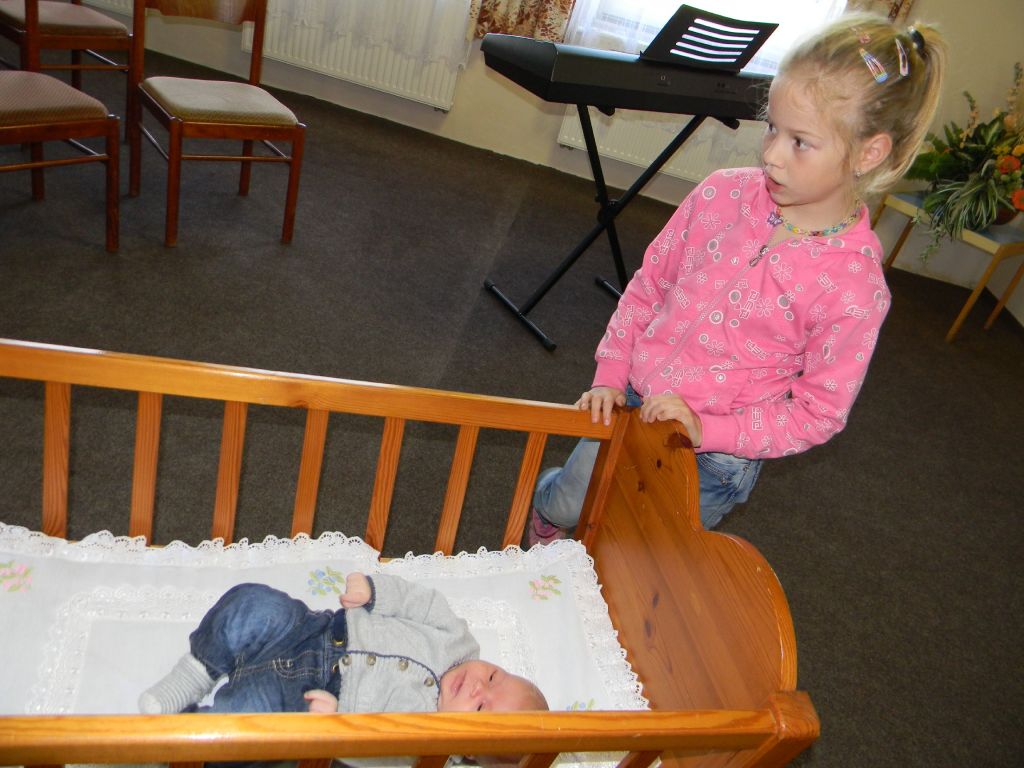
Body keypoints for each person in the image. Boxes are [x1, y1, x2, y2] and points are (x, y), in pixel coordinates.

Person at [528, 13, 947, 544]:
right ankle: (548, 513)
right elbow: (649, 287)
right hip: (630, 398)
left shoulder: (855, 288)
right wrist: (610, 375)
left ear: (869, 153)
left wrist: (710, 429)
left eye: (800, 142)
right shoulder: (720, 193)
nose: (771, 154)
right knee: (571, 500)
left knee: (638, 553)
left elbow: (818, 413)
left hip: (712, 459)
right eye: (772, 127)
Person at [139, 572, 547, 716]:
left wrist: (337, 726)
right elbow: (420, 602)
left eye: (480, 708)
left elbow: (374, 756)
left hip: (307, 696)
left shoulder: (424, 740)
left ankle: (183, 735)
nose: (477, 687)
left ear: (468, 752)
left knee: (253, 725)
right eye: (493, 677)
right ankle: (195, 673)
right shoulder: (457, 639)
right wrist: (375, 590)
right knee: (254, 603)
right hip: (310, 630)